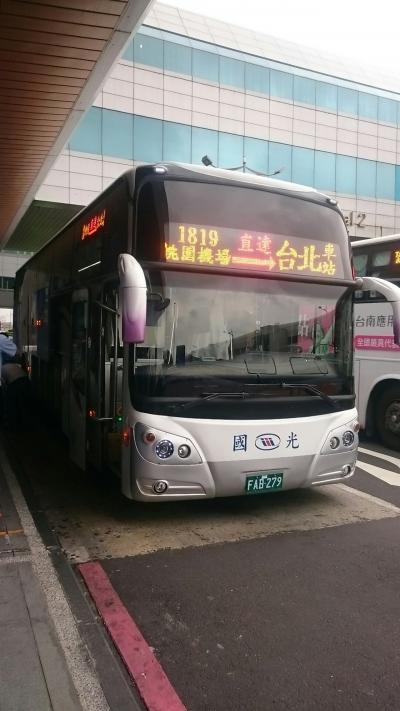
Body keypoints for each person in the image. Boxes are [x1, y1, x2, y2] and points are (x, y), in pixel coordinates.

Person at [1, 355, 31, 429]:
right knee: (23, 402)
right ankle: (25, 424)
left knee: (11, 404)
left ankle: (12, 424)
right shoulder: (14, 365)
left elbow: (4, 385)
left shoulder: (1, 369)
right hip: (26, 381)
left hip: (15, 383)